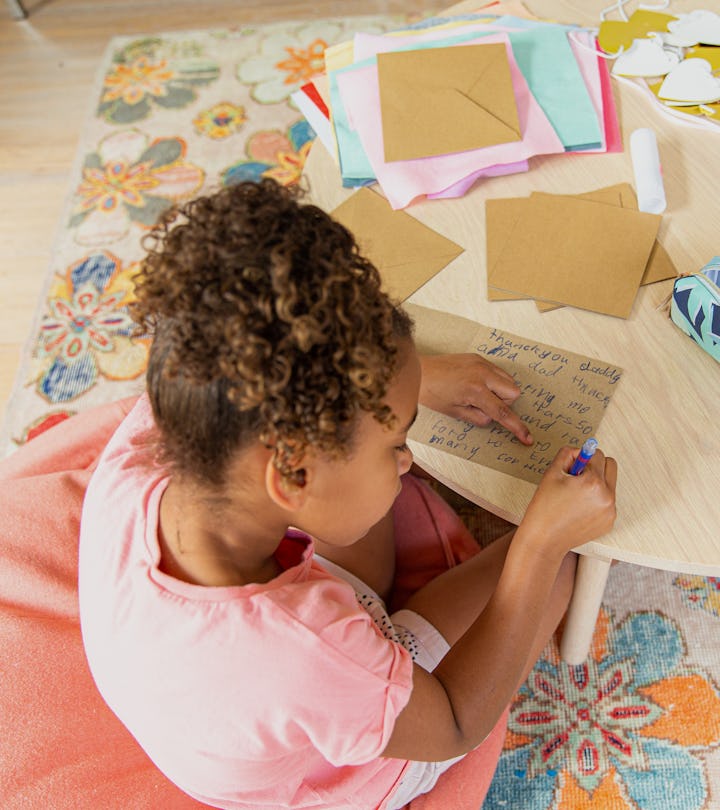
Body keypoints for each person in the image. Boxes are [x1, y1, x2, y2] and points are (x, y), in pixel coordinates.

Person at [78, 179, 617, 810]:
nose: (410, 458)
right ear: (293, 477)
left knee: (371, 516)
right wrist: (540, 542)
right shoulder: (305, 651)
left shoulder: (166, 438)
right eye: (396, 441)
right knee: (562, 569)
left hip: (213, 672)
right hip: (334, 765)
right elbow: (453, 725)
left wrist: (403, 383)